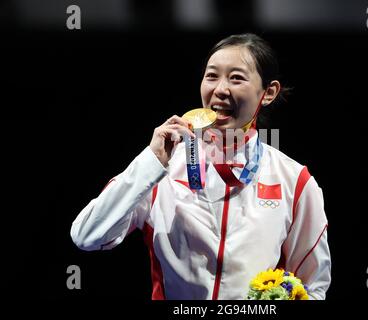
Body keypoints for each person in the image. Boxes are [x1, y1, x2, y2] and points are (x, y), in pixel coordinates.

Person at [71, 33, 331, 300]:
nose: (220, 89)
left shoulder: (294, 180)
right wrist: (151, 161)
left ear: (269, 92)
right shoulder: (162, 168)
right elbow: (87, 235)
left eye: (236, 78)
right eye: (212, 76)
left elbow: (314, 286)